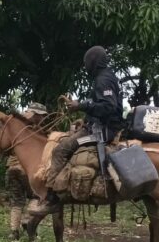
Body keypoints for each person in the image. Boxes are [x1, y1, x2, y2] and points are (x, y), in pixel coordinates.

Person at [43, 46, 123, 206]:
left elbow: (108, 107)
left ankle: (50, 195)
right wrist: (85, 120)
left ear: (94, 62)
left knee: (60, 150)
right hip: (99, 125)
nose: (86, 66)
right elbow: (99, 106)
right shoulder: (107, 76)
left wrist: (81, 106)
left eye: (87, 62)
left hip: (103, 130)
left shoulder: (103, 80)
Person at [6, 103, 48, 240]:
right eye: (41, 116)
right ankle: (28, 223)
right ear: (37, 115)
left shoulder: (16, 127)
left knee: (16, 201)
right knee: (37, 197)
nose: (43, 119)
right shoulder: (36, 130)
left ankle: (14, 232)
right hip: (28, 170)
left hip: (11, 169)